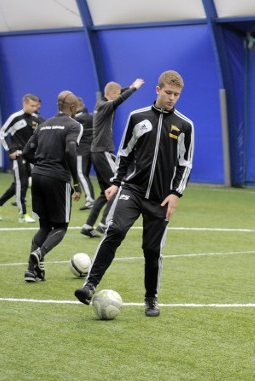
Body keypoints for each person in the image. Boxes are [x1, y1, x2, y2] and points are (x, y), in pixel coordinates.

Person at [75, 70, 194, 317]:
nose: (172, 98)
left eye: (177, 94)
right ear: (158, 90)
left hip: (161, 198)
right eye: (169, 92)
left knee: (152, 250)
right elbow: (125, 153)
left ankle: (151, 299)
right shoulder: (137, 117)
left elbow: (185, 163)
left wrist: (176, 194)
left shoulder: (184, 125)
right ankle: (89, 286)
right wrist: (117, 182)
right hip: (132, 189)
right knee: (114, 230)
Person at [21, 91, 83, 282]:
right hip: (57, 178)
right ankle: (40, 253)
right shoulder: (75, 125)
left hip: (37, 176)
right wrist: (76, 182)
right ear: (72, 108)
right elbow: (70, 150)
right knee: (61, 227)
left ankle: (32, 271)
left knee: (44, 226)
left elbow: (26, 152)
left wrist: (40, 165)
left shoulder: (43, 125)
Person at [80, 78, 145, 238]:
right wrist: (134, 88)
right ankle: (104, 224)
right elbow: (120, 99)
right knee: (118, 186)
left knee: (105, 192)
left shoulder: (99, 103)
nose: (118, 96)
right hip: (103, 152)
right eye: (116, 94)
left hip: (98, 152)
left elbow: (118, 94)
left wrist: (127, 87)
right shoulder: (106, 106)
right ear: (110, 95)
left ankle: (88, 226)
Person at [0, 94, 44, 223]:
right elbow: (2, 133)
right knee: (22, 184)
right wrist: (11, 150)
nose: (34, 108)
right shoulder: (15, 117)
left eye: (35, 106)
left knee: (18, 185)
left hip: (30, 156)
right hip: (18, 155)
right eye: (32, 105)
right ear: (25, 104)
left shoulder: (36, 119)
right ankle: (22, 215)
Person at [74, 97, 96, 210]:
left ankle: (90, 200)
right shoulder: (91, 116)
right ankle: (91, 199)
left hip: (82, 150)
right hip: (92, 148)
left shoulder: (78, 118)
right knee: (85, 175)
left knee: (81, 174)